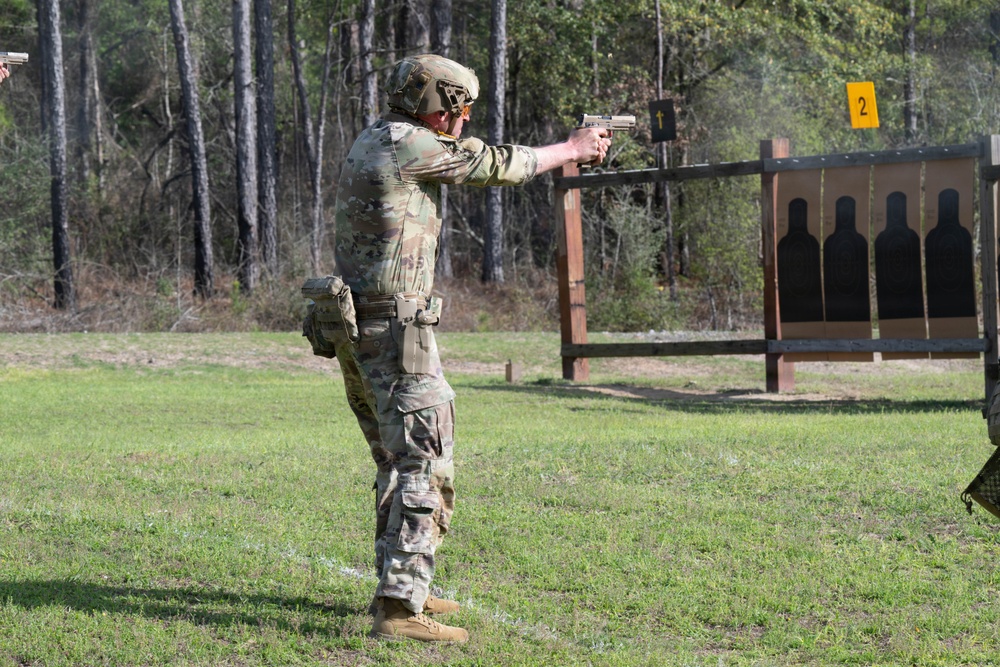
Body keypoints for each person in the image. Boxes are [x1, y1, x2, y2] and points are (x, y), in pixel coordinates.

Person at [305, 54, 611, 643]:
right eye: (459, 108)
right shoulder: (407, 145)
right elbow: (494, 164)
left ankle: (403, 586)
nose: (462, 120)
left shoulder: (377, 136)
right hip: (395, 332)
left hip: (365, 326)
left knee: (397, 461)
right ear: (438, 104)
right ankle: (398, 610)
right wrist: (570, 149)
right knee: (426, 461)